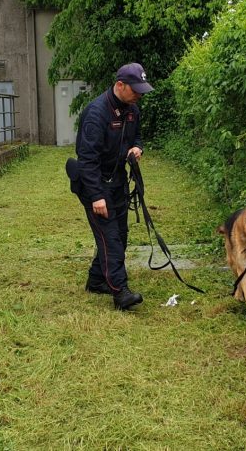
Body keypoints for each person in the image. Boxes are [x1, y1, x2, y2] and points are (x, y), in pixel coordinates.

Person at [75, 63, 153, 310]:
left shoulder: (132, 110)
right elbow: (86, 159)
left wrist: (137, 148)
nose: (139, 95)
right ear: (120, 85)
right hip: (94, 185)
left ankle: (97, 280)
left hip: (118, 183)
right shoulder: (96, 113)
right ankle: (121, 293)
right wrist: (96, 196)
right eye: (136, 90)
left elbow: (137, 137)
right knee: (111, 240)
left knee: (120, 235)